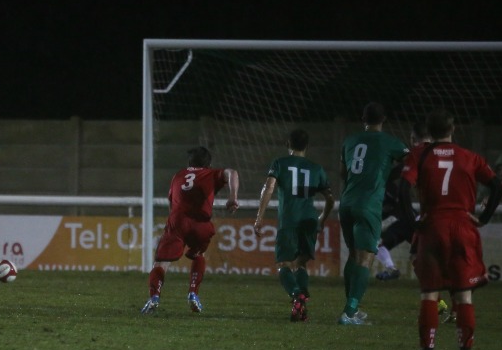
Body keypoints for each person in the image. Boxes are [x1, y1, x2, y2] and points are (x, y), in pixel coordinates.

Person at [399, 109, 502, 350]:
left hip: (433, 226)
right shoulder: (469, 157)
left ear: (429, 132)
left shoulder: (419, 155)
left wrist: (413, 222)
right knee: (464, 295)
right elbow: (498, 186)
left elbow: (402, 189)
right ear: (453, 129)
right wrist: (485, 217)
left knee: (429, 295)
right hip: (462, 227)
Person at [140, 146, 239, 314]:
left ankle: (154, 297)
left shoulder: (178, 175)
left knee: (161, 263)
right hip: (201, 224)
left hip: (178, 222)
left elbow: (171, 203)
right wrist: (233, 197)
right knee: (198, 255)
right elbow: (232, 173)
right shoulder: (211, 174)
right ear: (208, 163)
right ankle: (193, 293)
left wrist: (172, 224)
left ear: (189, 162)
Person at [338, 102, 409, 325]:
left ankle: (352, 308)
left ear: (362, 119)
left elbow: (343, 173)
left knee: (352, 255)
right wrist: (388, 173)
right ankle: (349, 313)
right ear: (384, 119)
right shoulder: (390, 142)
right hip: (368, 204)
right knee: (365, 258)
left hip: (347, 201)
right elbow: (411, 163)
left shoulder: (349, 141)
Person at [254, 129, 334, 322]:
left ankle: (297, 295)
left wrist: (259, 218)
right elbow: (330, 199)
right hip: (309, 220)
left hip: (289, 220)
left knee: (283, 264)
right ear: (306, 147)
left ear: (287, 144)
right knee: (300, 264)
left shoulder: (280, 163)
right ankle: (301, 308)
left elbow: (269, 188)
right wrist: (321, 219)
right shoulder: (316, 168)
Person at [375, 122, 433, 281]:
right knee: (421, 258)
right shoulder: (440, 154)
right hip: (415, 219)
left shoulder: (414, 157)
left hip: (410, 220)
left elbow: (402, 193)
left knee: (423, 258)